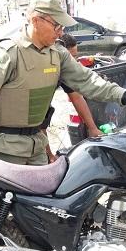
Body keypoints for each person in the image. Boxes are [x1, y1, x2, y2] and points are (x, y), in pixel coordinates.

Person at [0, 0, 126, 165]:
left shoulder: (58, 53)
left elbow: (87, 80)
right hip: (7, 150)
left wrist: (125, 95)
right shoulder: (7, 54)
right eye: (56, 26)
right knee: (7, 204)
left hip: (38, 147)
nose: (61, 32)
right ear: (35, 20)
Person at [43, 33, 103, 163]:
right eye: (71, 56)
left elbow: (77, 98)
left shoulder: (65, 71)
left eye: (76, 56)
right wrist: (49, 155)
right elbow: (37, 122)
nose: (74, 61)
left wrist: (92, 128)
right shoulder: (46, 68)